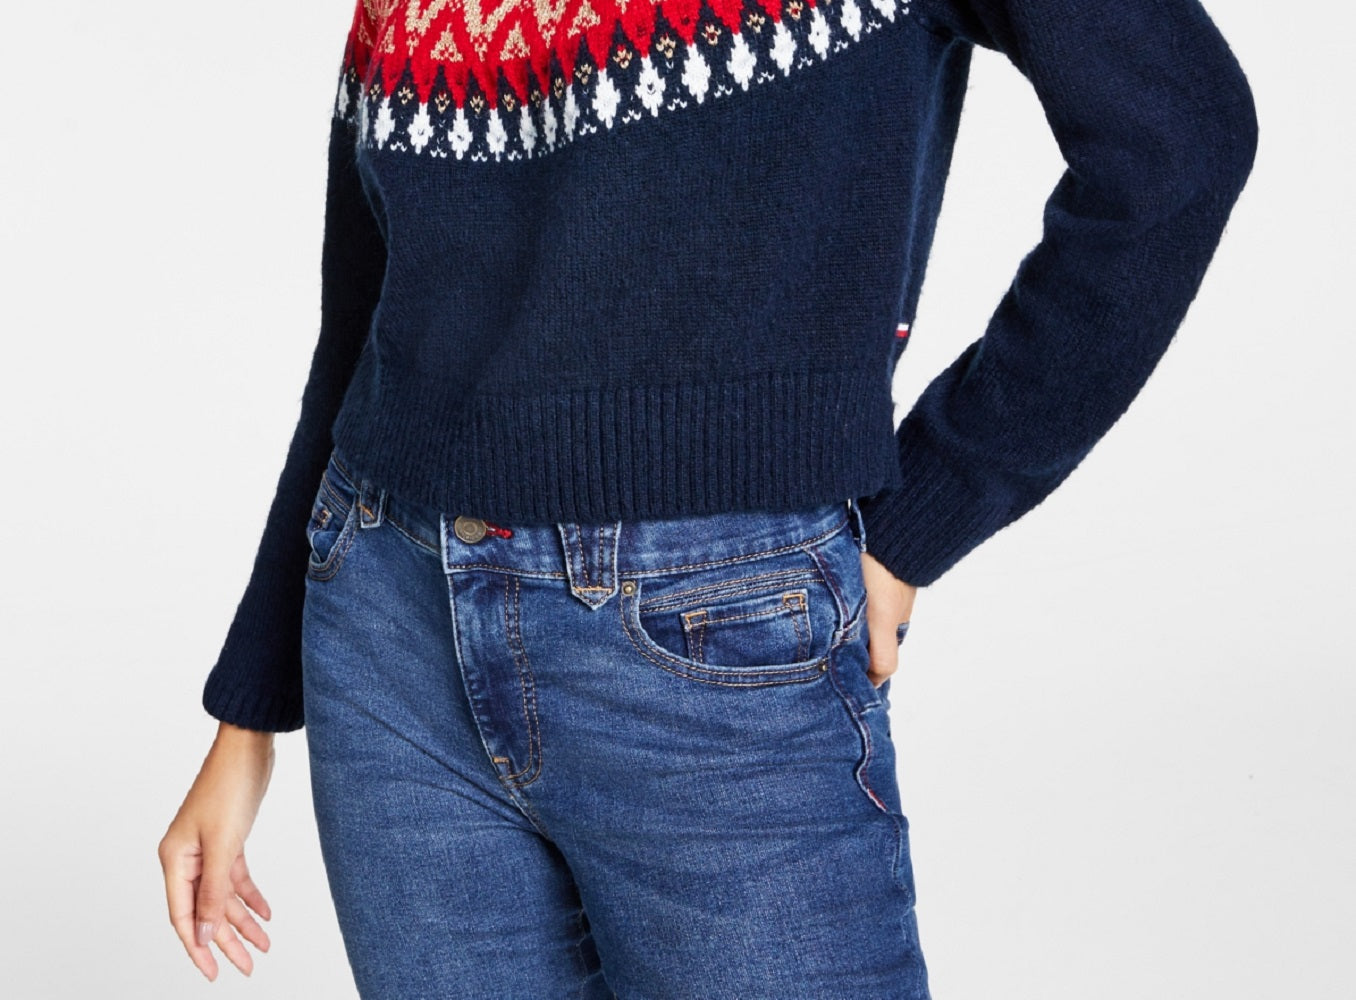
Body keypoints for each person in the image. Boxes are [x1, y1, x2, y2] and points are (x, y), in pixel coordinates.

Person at [158, 0, 1257, 995]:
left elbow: (1180, 138)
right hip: (386, 637)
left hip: (709, 635)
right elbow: (364, 311)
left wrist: (933, 506)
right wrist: (250, 709)